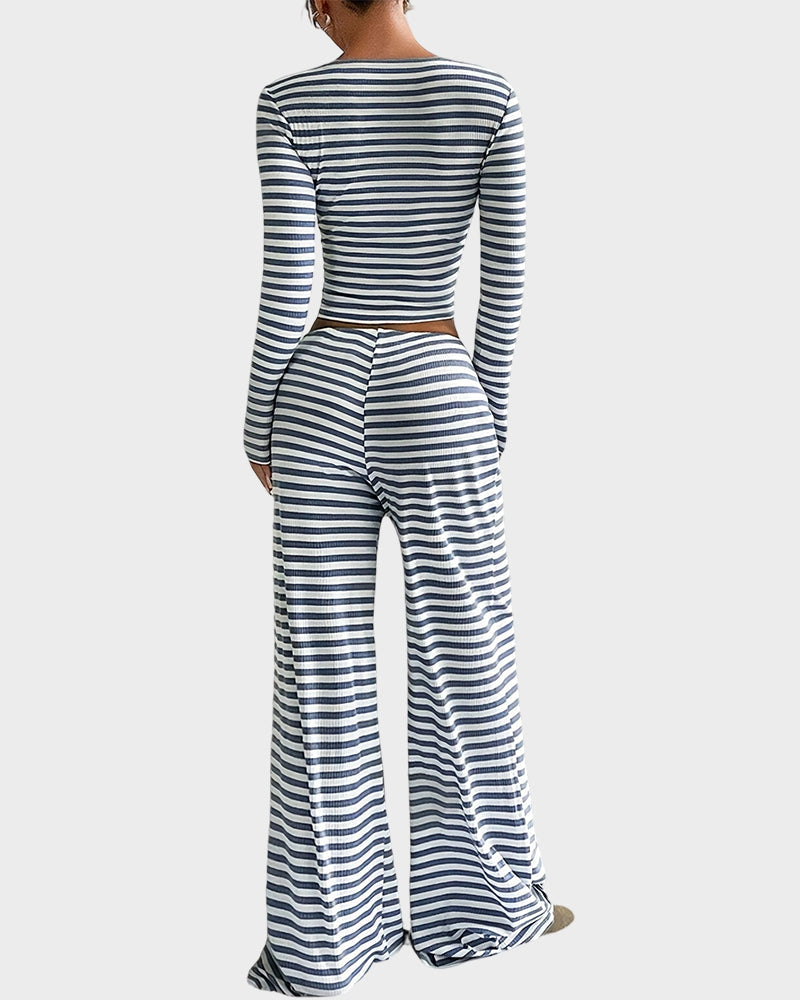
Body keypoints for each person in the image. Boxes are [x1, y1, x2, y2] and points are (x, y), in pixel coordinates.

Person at [242, 1, 573, 993]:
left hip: (318, 388)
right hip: (438, 386)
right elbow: (505, 279)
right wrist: (488, 415)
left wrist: (257, 424)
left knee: (321, 673)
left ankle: (324, 946)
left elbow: (287, 278)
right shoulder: (485, 96)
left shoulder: (287, 102)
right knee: (466, 654)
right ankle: (484, 911)